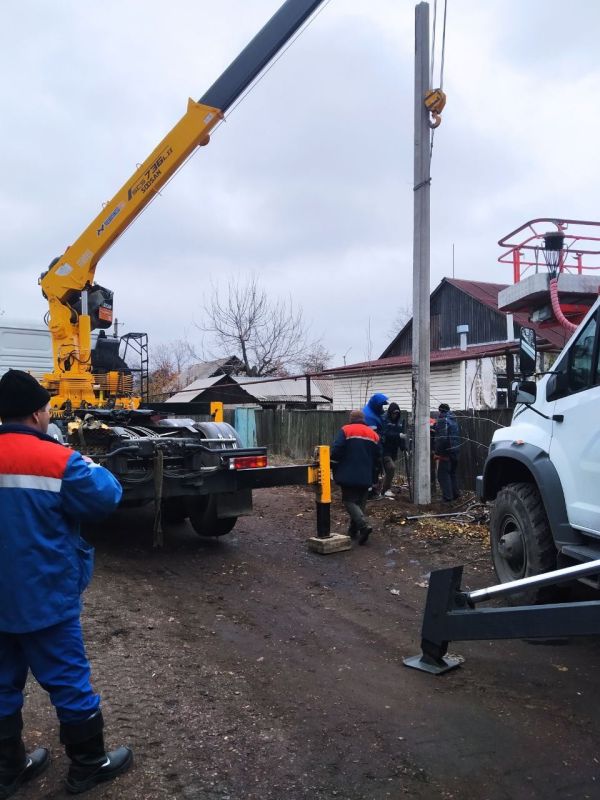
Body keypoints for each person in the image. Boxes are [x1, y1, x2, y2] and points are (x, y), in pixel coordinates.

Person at [0, 370, 133, 797]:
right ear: (39, 412)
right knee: (68, 682)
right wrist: (83, 458)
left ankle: (8, 769)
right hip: (45, 596)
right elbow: (107, 496)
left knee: (1, 685)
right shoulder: (56, 460)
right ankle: (88, 766)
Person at [331, 409, 380, 545]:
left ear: (351, 419)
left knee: (349, 501)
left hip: (349, 473)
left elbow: (336, 449)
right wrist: (375, 476)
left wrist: (331, 463)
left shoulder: (346, 430)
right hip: (366, 475)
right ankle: (353, 531)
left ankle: (363, 527)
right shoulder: (374, 435)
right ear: (363, 419)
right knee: (360, 503)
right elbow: (378, 456)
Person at [433, 402, 461, 502]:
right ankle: (455, 494)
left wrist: (438, 452)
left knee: (442, 474)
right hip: (456, 451)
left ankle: (447, 498)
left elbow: (442, 439)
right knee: (452, 473)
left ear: (440, 410)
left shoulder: (442, 420)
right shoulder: (453, 419)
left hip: (447, 452)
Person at [361, 393, 388, 497]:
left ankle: (371, 489)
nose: (382, 408)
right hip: (370, 447)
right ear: (376, 406)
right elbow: (375, 437)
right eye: (381, 406)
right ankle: (369, 492)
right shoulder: (369, 417)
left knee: (374, 469)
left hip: (372, 446)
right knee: (372, 469)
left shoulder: (373, 412)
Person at [381, 402, 406, 497]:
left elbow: (401, 437)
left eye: (397, 413)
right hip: (385, 449)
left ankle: (383, 489)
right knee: (391, 467)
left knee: (389, 471)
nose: (395, 415)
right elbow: (385, 433)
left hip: (394, 450)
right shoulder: (384, 420)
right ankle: (386, 489)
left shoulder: (399, 423)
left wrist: (403, 447)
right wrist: (397, 435)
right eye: (393, 413)